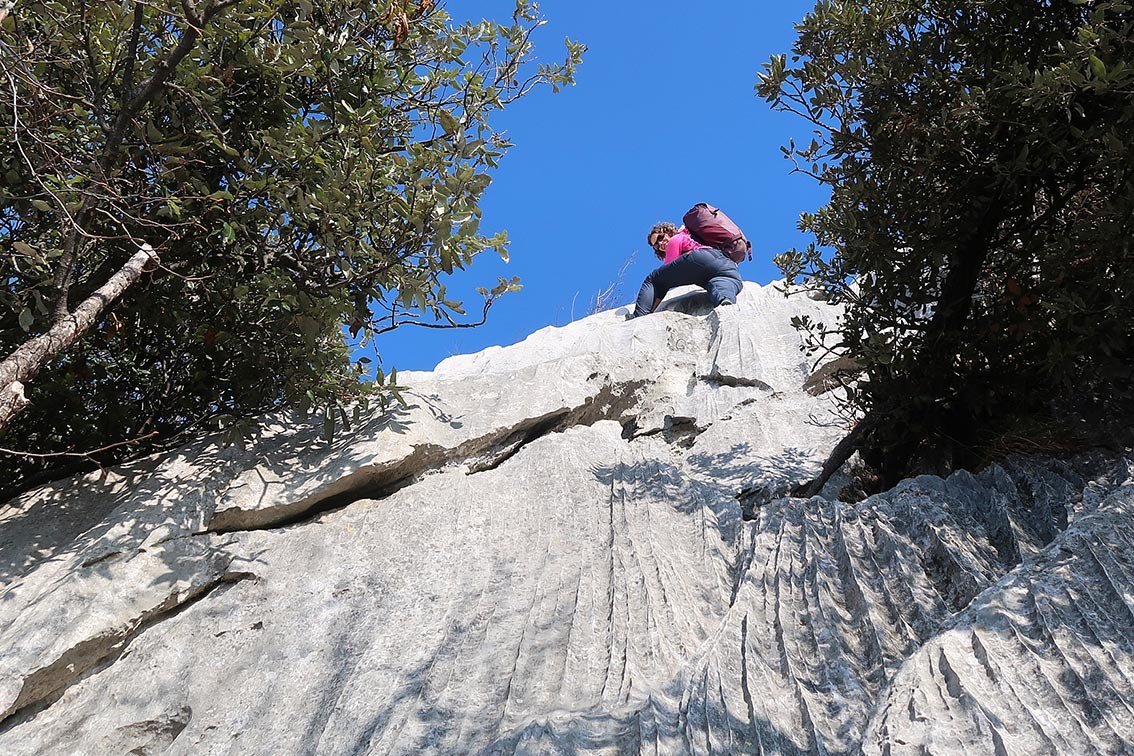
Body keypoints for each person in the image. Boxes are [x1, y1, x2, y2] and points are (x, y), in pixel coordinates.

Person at [629, 221, 743, 318]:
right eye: (656, 246)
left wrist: (647, 312)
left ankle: (638, 316)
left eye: (660, 237)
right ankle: (724, 300)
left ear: (668, 232)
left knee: (653, 279)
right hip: (726, 265)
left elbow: (666, 277)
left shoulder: (675, 239)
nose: (660, 244)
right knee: (719, 283)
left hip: (698, 258)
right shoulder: (689, 236)